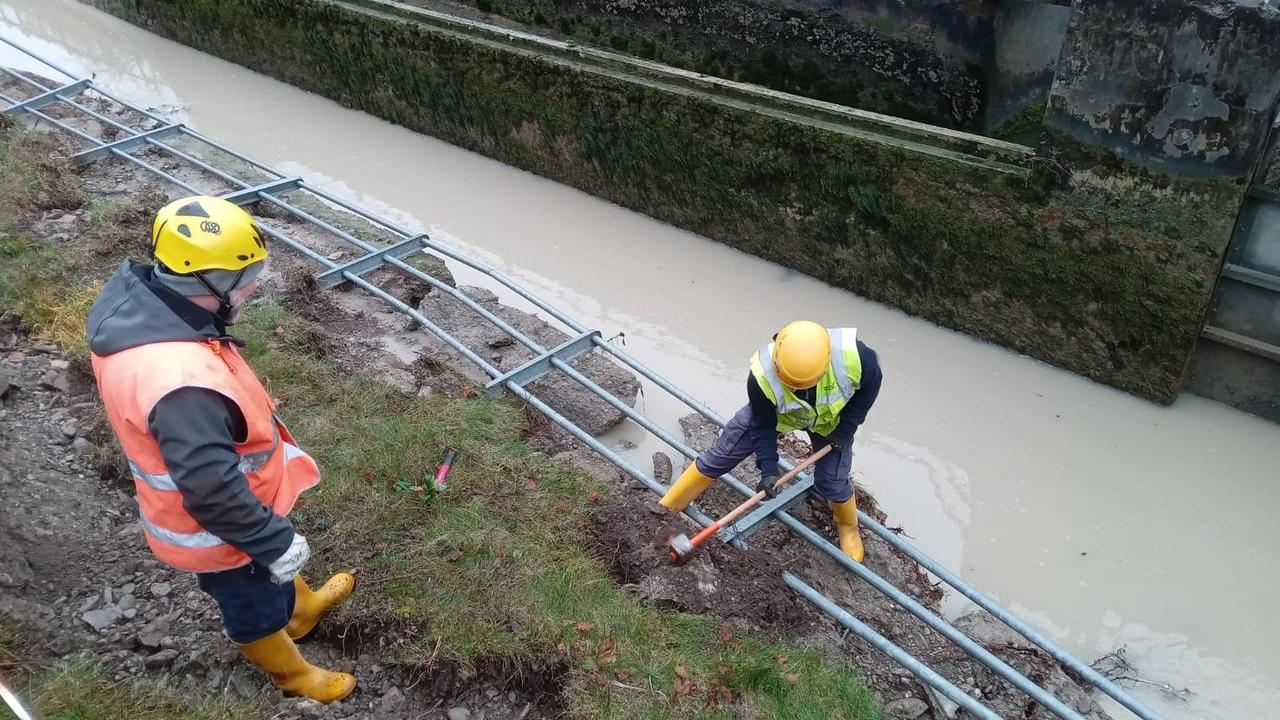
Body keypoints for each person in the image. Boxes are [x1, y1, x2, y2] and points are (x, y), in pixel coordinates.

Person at [86, 195, 356, 703]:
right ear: (211, 283)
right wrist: (270, 541)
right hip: (219, 534)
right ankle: (293, 673)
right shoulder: (182, 384)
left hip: (243, 508)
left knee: (272, 578)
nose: (254, 286)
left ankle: (300, 611)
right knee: (252, 605)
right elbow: (211, 493)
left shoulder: (149, 311)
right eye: (247, 277)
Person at [658, 320, 882, 561]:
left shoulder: (858, 358)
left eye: (802, 386)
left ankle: (848, 527)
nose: (795, 390)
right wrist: (768, 470)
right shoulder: (760, 377)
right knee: (723, 454)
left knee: (832, 481)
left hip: (830, 421)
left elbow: (871, 384)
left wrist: (847, 428)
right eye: (790, 384)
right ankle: (665, 508)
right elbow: (762, 426)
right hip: (776, 415)